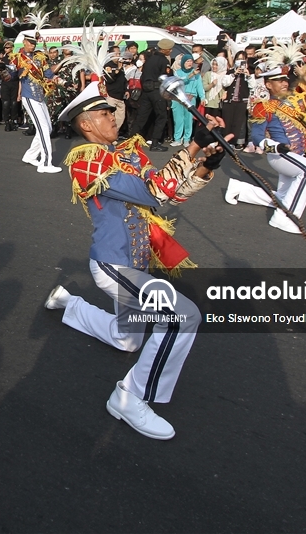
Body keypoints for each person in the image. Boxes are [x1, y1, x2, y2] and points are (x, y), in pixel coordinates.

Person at [43, 83, 229, 440]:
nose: (113, 116)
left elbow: (169, 193)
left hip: (137, 263)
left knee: (126, 338)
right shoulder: (86, 161)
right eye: (104, 113)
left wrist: (206, 164)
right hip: (116, 267)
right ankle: (129, 397)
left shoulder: (126, 154)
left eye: (112, 110)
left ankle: (68, 303)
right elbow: (153, 192)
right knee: (181, 317)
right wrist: (191, 145)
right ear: (86, 125)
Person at [224, 65, 306, 234]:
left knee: (284, 196)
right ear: (268, 85)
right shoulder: (264, 106)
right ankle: (283, 218)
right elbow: (257, 137)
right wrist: (274, 146)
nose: (284, 83)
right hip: (280, 155)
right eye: (279, 81)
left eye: (285, 80)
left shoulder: (297, 100)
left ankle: (240, 190)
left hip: (297, 155)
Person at [13, 32, 60, 173]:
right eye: (30, 43)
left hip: (40, 95)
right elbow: (11, 74)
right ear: (24, 42)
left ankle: (30, 155)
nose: (32, 45)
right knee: (44, 129)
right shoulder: (18, 58)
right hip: (29, 96)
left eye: (34, 43)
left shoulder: (39, 57)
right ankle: (45, 164)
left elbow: (48, 74)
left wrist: (60, 68)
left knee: (48, 128)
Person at [130, 38, 173, 151]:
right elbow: (165, 78)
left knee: (141, 116)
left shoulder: (149, 59)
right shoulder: (164, 61)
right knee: (161, 116)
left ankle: (130, 141)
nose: (171, 51)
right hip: (157, 91)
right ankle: (155, 143)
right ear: (165, 50)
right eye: (170, 49)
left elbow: (143, 76)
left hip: (146, 91)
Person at [170, 54, 202, 146]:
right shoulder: (177, 72)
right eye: (187, 61)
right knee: (178, 119)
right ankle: (177, 139)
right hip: (178, 98)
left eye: (191, 61)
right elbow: (179, 81)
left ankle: (187, 138)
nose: (190, 63)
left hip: (190, 99)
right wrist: (191, 75)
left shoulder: (196, 73)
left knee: (188, 119)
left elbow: (199, 86)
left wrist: (202, 97)